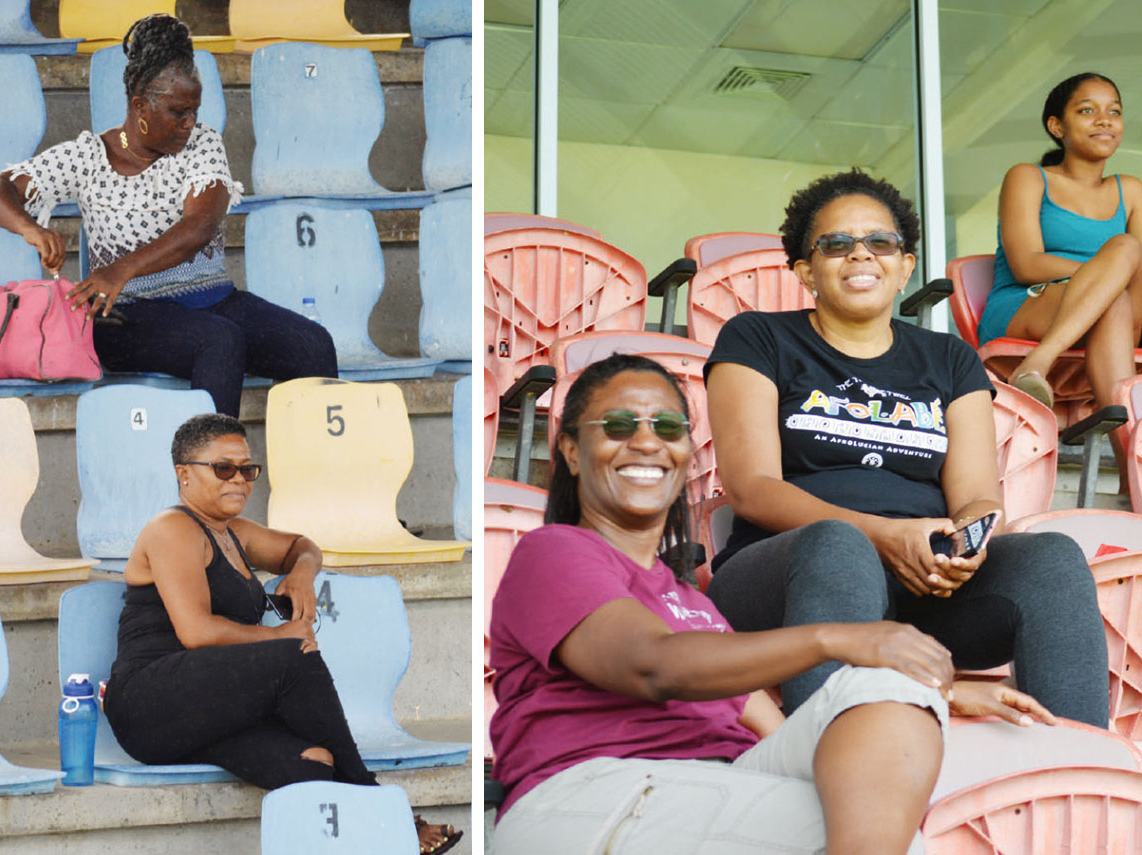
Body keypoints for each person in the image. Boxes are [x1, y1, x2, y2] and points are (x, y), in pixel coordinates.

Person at [489, 353, 1056, 855]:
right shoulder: (554, 553)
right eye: (617, 425)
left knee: (887, 695)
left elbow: (775, 722)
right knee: (887, 836)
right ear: (569, 449)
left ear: (687, 449)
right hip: (590, 795)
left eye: (667, 426)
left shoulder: (690, 603)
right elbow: (653, 665)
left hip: (714, 788)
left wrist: (937, 690)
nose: (646, 441)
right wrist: (838, 638)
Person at [703, 169, 1109, 728]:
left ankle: (1078, 769)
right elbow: (752, 490)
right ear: (805, 270)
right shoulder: (758, 338)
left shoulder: (949, 359)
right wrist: (883, 536)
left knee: (1052, 557)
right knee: (839, 547)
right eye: (836, 244)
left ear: (905, 267)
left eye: (881, 242)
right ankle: (824, 775)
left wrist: (968, 547)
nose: (860, 256)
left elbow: (976, 497)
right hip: (792, 579)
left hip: (924, 582)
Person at [103, 413, 461, 855]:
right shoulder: (172, 529)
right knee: (295, 659)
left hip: (204, 710)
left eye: (247, 469)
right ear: (184, 474)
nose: (239, 479)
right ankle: (385, 808)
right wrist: (283, 639)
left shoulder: (232, 533)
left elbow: (301, 547)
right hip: (150, 703)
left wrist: (303, 574)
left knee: (313, 764)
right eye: (223, 468)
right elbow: (195, 632)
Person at [0, 14, 337, 417]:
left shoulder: (203, 145)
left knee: (313, 344)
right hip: (125, 317)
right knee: (219, 342)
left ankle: (315, 470)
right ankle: (208, 473)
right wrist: (30, 228)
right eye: (177, 111)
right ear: (140, 105)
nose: (189, 123)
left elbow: (199, 227)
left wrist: (121, 269)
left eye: (194, 110)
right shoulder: (87, 157)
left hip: (215, 301)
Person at [978, 72, 1142, 487]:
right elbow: (1026, 264)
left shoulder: (1133, 190)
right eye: (1087, 110)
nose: (1104, 120)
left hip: (1116, 309)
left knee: (1122, 276)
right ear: (1057, 126)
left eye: (1114, 112)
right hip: (1030, 302)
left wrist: (1108, 278)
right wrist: (1105, 273)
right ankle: (1131, 472)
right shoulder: (1030, 177)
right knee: (1122, 254)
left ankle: (1040, 366)